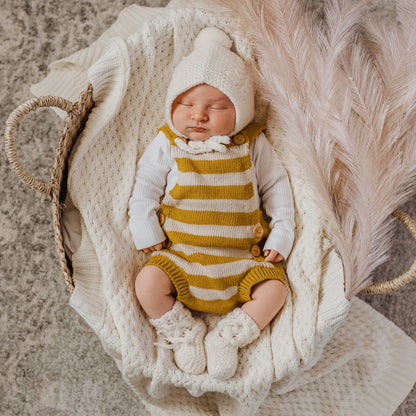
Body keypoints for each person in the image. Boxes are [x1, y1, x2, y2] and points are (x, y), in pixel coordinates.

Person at [128, 27, 295, 380]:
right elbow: (145, 186)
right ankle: (184, 332)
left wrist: (282, 234)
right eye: (186, 105)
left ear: (242, 112)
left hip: (242, 261)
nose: (198, 115)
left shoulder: (251, 144)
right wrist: (145, 226)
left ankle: (229, 336)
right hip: (182, 257)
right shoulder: (168, 143)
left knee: (275, 291)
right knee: (147, 283)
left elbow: (277, 187)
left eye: (217, 107)